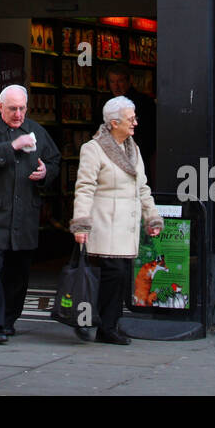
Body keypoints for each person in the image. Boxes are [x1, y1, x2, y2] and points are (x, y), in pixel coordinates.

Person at [0, 84, 60, 344]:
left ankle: (8, 320)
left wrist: (45, 174)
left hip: (24, 215)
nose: (18, 115)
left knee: (19, 273)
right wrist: (12, 146)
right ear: (0, 107)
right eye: (12, 109)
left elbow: (54, 161)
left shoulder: (36, 131)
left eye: (22, 109)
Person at [70, 96, 162, 346]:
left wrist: (151, 217)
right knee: (113, 275)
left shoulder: (133, 148)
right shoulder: (94, 148)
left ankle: (107, 324)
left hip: (126, 227)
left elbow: (142, 187)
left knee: (119, 278)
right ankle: (105, 326)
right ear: (113, 122)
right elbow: (85, 188)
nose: (135, 122)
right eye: (130, 119)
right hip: (105, 225)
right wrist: (81, 224)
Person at [105, 63, 156, 183]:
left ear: (129, 80)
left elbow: (150, 137)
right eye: (112, 82)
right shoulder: (105, 103)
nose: (116, 86)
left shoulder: (144, 103)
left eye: (120, 81)